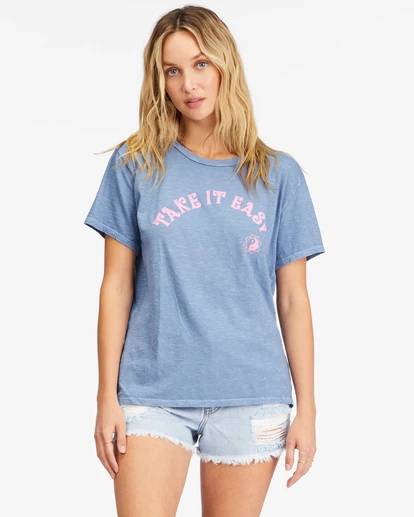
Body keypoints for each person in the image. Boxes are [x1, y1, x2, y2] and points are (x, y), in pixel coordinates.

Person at [84, 5, 325, 516]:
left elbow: (293, 299)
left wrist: (307, 408)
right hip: (152, 391)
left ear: (224, 65)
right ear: (159, 81)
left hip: (250, 392)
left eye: (200, 64)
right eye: (172, 71)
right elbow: (116, 286)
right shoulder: (135, 165)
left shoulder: (278, 175)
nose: (188, 84)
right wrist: (106, 396)